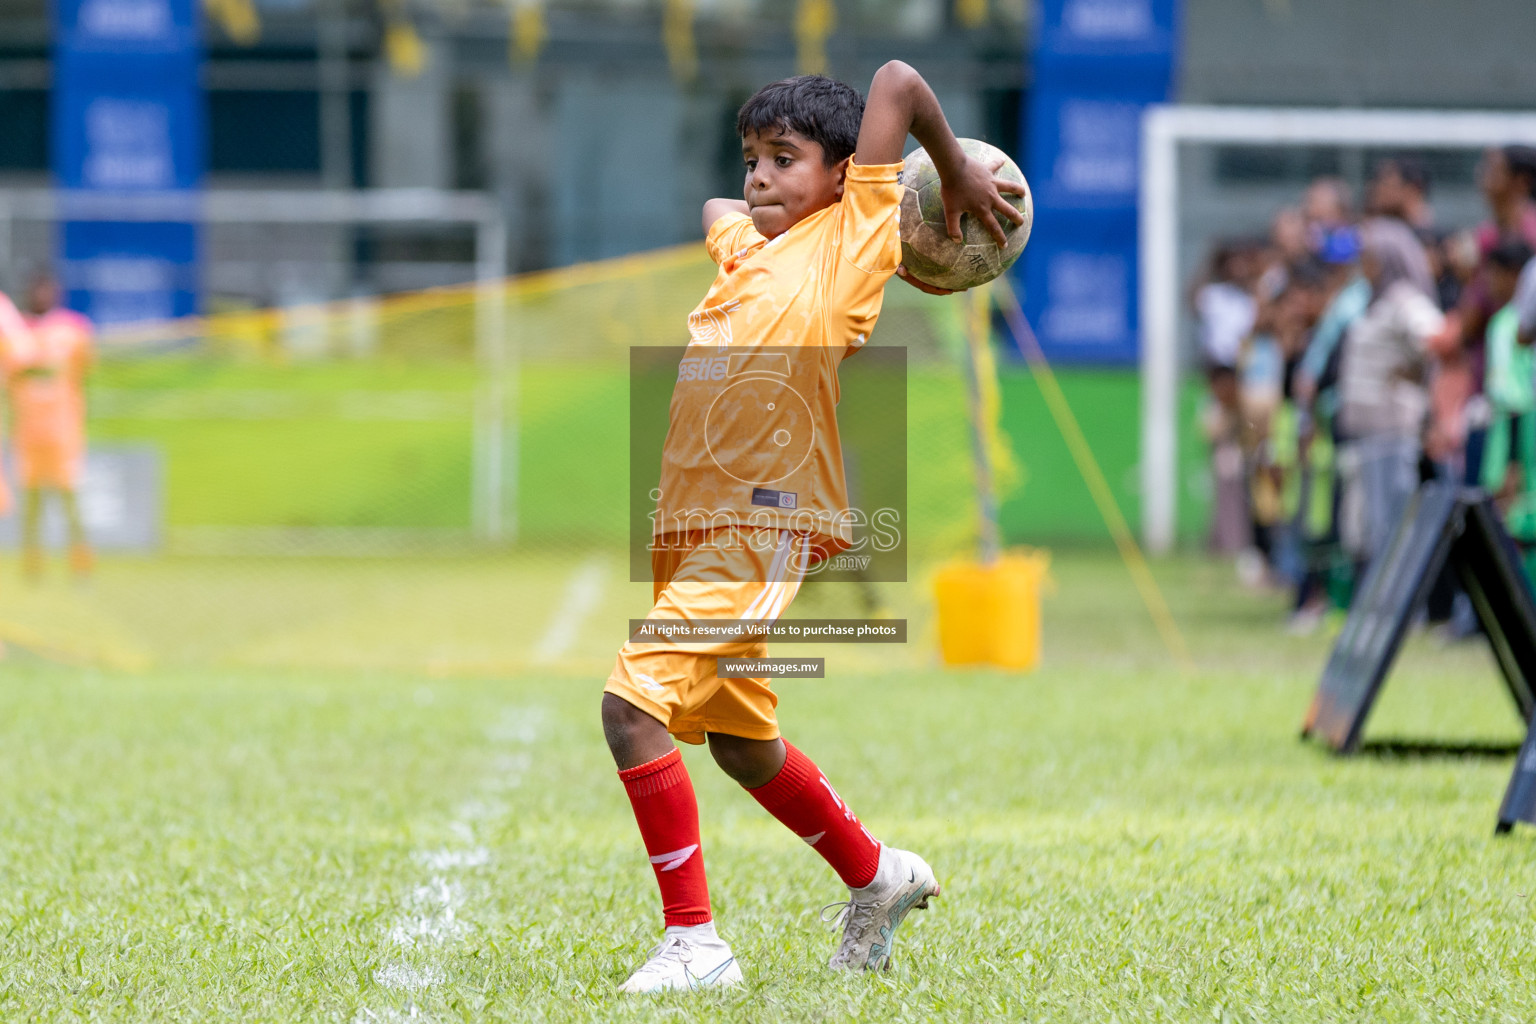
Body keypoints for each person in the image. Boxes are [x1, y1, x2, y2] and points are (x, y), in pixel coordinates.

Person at [600, 65, 1024, 992]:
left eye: (784, 159)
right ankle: (879, 876)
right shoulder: (752, 249)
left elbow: (899, 81)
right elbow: (722, 203)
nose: (756, 176)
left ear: (846, 178)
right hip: (695, 525)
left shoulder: (851, 239)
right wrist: (765, 199)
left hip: (760, 523)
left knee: (632, 709)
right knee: (744, 744)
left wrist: (941, 173)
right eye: (752, 157)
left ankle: (694, 945)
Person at [1336, 219, 1443, 570]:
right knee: (1370, 524)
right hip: (1371, 430)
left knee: (1394, 519)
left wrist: (1414, 372)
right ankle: (1380, 603)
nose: (1362, 265)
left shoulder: (1404, 299)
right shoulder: (1374, 300)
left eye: (1369, 257)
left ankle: (1403, 602)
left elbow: (1435, 340)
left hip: (1394, 425)